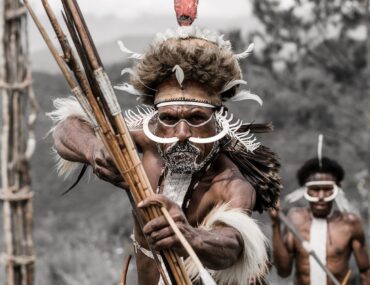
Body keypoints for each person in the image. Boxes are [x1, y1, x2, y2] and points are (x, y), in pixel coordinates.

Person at [47, 4, 281, 284]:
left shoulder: (229, 182)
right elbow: (66, 130)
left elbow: (232, 244)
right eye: (168, 118)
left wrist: (191, 237)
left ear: (217, 119)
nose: (181, 132)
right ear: (156, 119)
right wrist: (95, 149)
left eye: (196, 118)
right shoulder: (144, 141)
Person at [270, 157, 370, 285]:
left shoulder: (350, 223)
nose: (321, 196)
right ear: (304, 190)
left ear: (337, 190)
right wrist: (275, 224)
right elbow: (283, 272)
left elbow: (366, 271)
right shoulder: (294, 219)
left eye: (327, 189)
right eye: (315, 189)